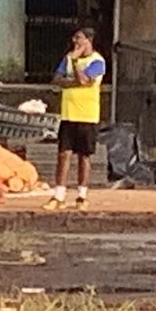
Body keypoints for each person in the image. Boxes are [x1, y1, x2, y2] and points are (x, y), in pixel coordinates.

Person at [44, 27, 106, 210]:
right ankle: (59, 196)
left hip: (87, 115)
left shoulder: (97, 61)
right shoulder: (68, 58)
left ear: (88, 40)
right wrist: (72, 81)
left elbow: (85, 80)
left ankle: (81, 196)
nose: (75, 42)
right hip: (68, 114)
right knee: (64, 154)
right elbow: (57, 79)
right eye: (74, 38)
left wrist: (76, 62)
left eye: (79, 38)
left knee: (84, 157)